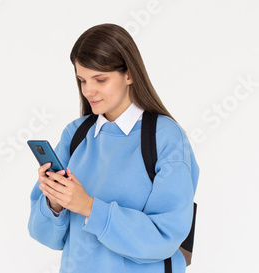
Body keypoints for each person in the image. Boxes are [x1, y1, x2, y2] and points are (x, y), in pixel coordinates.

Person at [27, 23, 199, 273]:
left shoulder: (165, 137)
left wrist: (88, 207)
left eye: (100, 79)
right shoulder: (75, 134)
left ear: (129, 74)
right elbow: (46, 237)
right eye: (82, 80)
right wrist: (55, 203)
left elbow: (164, 238)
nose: (88, 90)